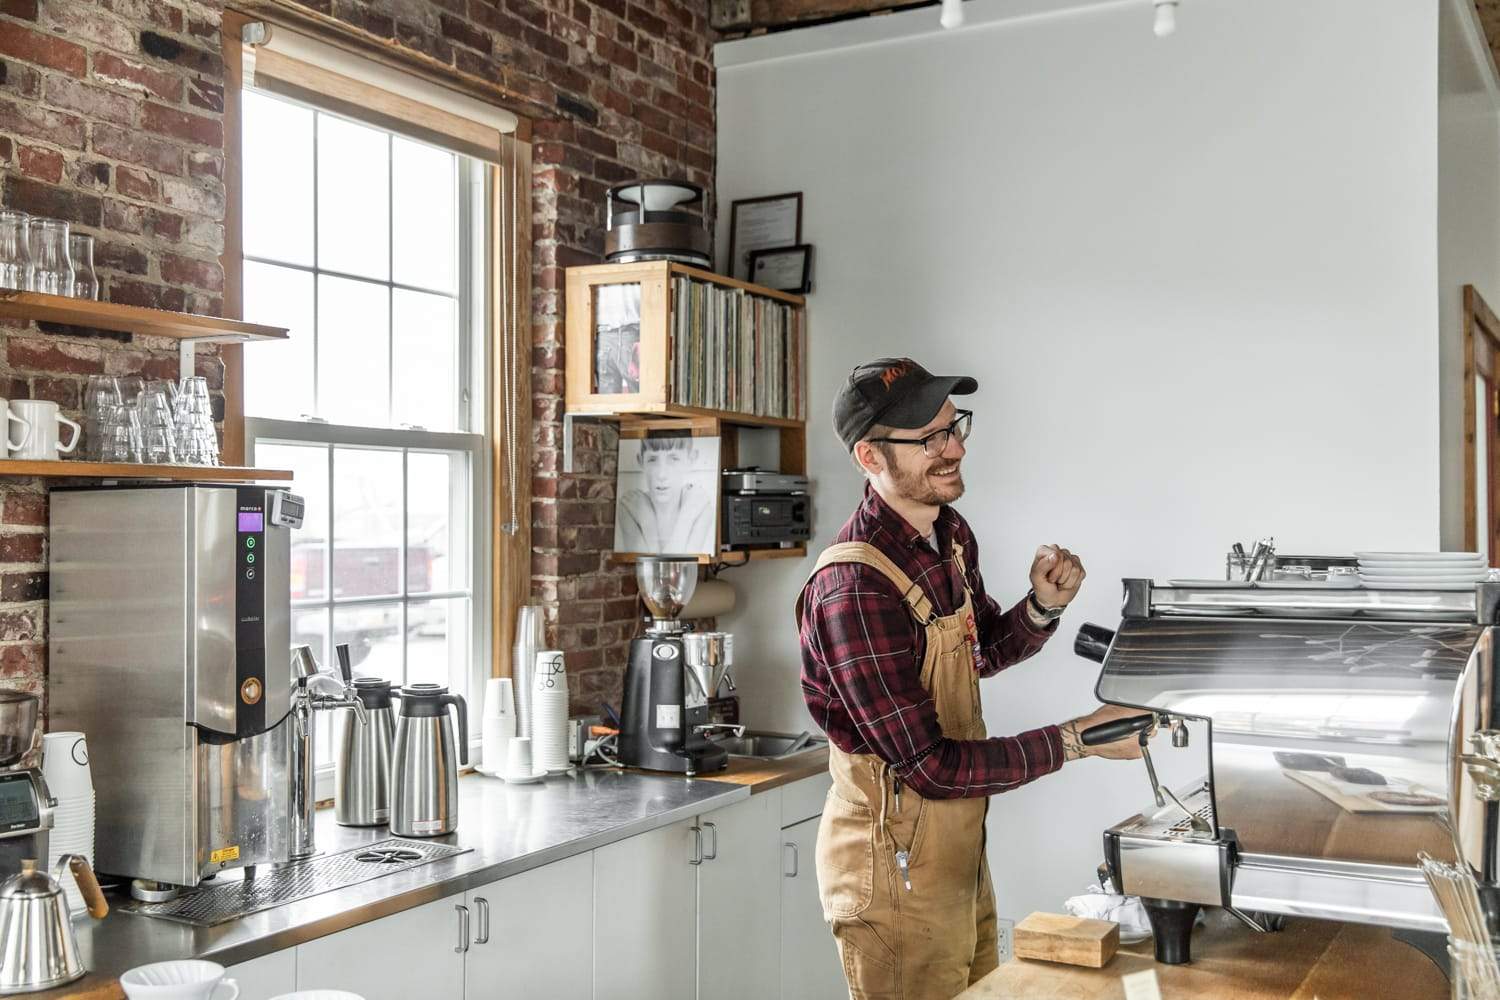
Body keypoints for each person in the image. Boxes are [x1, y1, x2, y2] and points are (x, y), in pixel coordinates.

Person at [796, 357, 1148, 1000]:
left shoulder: (948, 535)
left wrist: (1042, 606)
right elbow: (928, 767)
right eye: (929, 438)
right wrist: (1078, 740)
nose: (954, 447)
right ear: (869, 457)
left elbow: (977, 650)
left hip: (957, 854)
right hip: (892, 870)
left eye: (954, 426)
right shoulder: (853, 588)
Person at [616, 435, 715, 553]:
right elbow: (647, 565)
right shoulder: (630, 505)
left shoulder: (700, 505)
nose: (662, 474)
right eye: (652, 459)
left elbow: (680, 565)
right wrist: (648, 521)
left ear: (691, 459)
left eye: (674, 459)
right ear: (641, 461)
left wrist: (684, 517)